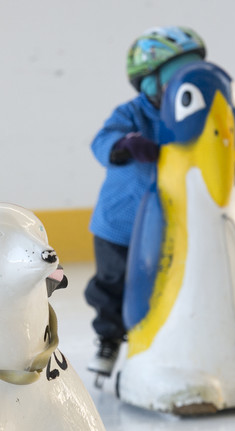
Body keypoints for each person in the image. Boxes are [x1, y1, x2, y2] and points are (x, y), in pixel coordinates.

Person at [85, 26, 207, 377]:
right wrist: (126, 144)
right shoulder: (132, 113)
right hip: (120, 224)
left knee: (172, 282)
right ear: (149, 82)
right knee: (113, 284)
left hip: (173, 223)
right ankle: (109, 340)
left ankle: (170, 340)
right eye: (175, 76)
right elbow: (102, 140)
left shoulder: (195, 115)